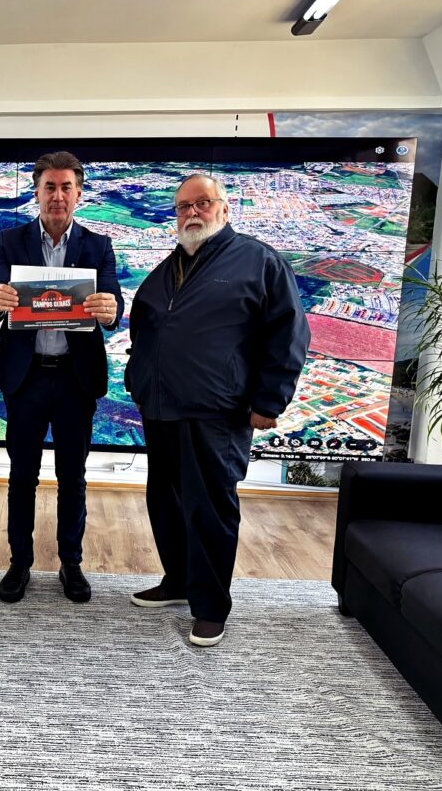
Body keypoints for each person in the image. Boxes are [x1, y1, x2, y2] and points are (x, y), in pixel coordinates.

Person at [125, 174, 310, 647]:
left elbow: (289, 332)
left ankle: (210, 608)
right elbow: (145, 328)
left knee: (209, 510)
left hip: (215, 411)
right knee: (166, 502)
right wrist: (136, 380)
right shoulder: (170, 266)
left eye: (202, 203)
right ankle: (178, 581)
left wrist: (269, 400)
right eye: (183, 206)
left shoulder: (258, 260)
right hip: (161, 408)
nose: (192, 212)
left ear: (224, 209)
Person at [0, 151, 123, 604]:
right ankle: (19, 563)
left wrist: (111, 310)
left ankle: (71, 563)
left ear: (78, 194)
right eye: (49, 187)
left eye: (66, 187)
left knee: (73, 478)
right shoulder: (10, 241)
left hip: (74, 379)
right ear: (37, 192)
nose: (57, 195)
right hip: (25, 379)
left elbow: (113, 303)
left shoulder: (98, 245)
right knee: (21, 476)